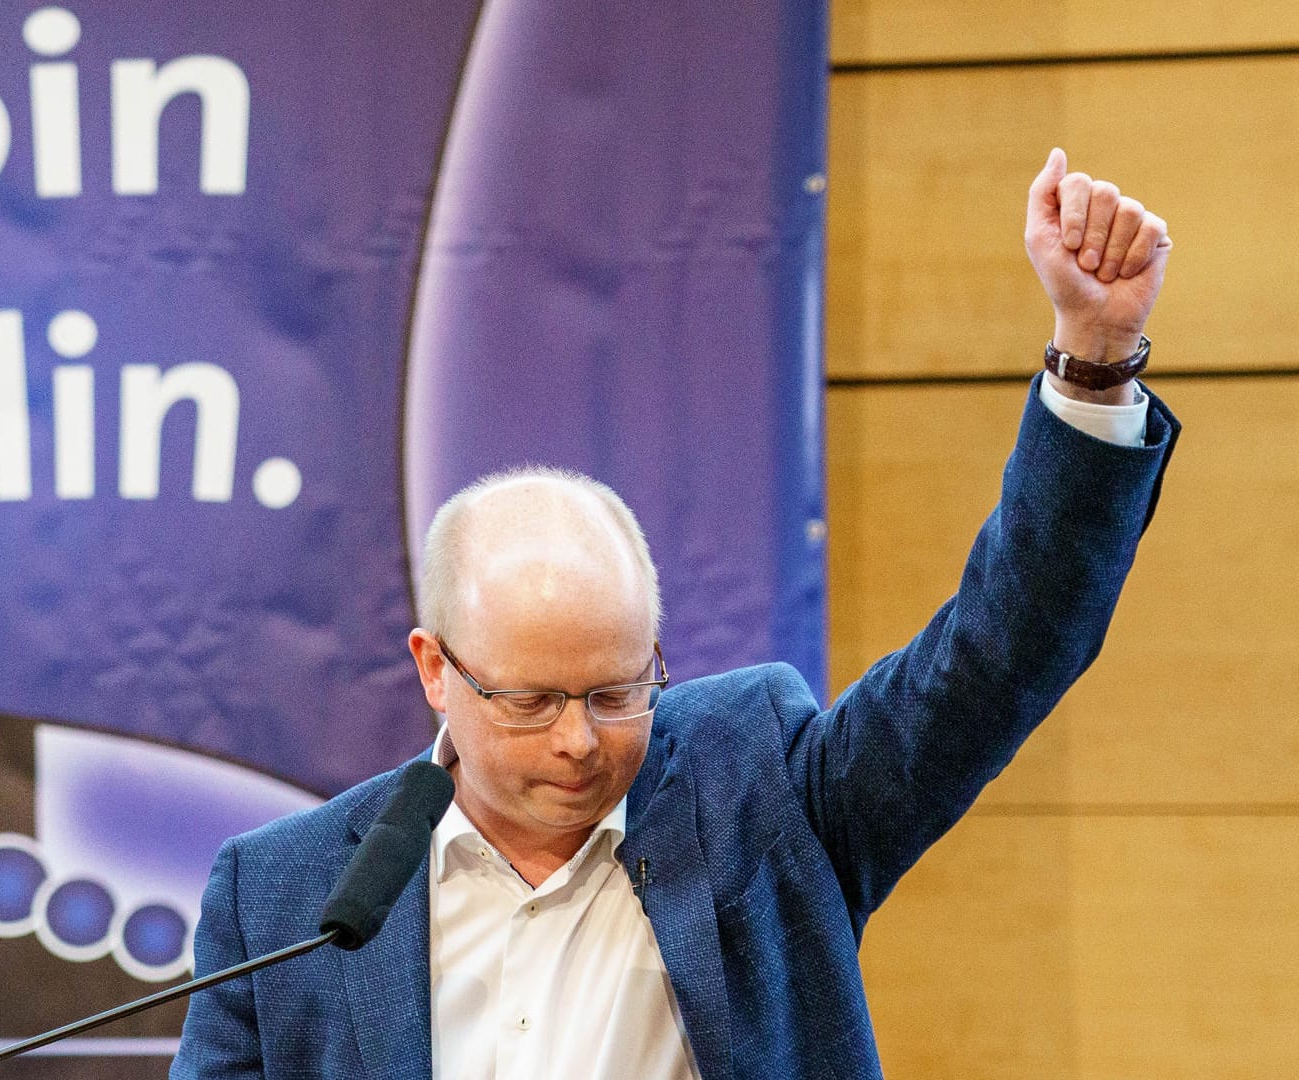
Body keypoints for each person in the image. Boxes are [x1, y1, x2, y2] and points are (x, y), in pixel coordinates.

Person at [170, 149, 1180, 1079]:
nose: (581, 743)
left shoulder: (762, 794)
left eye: (617, 692)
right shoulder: (289, 900)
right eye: (530, 702)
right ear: (436, 668)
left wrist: (1094, 356)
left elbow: (999, 655)